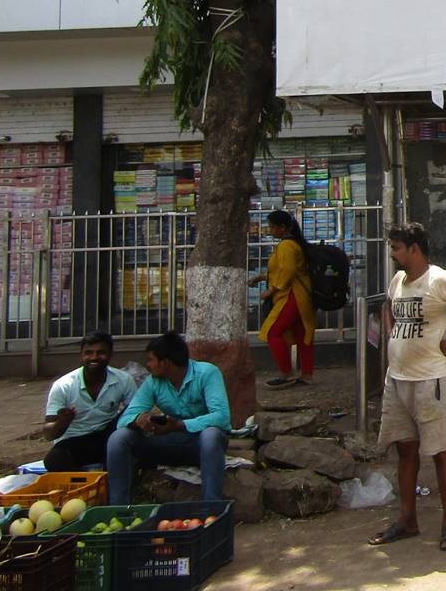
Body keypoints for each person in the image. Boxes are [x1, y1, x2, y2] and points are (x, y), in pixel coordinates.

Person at [369, 222, 446, 552]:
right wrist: (393, 334)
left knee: (440, 451)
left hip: (430, 379)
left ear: (414, 248)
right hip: (397, 379)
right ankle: (407, 519)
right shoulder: (398, 280)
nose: (393, 254)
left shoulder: (441, 280)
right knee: (405, 450)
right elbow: (388, 307)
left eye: (397, 247)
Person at [107, 331, 231, 504]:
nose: (148, 365)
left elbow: (222, 418)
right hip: (167, 444)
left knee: (211, 435)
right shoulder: (153, 382)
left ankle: (211, 508)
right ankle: (118, 508)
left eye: (150, 360)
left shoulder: (207, 373)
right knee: (119, 438)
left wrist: (180, 425)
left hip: (200, 446)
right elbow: (124, 419)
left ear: (165, 362)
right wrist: (139, 421)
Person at [42, 331, 137, 471]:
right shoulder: (63, 385)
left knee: (131, 416)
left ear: (111, 355)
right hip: (74, 442)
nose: (94, 357)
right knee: (54, 460)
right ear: (81, 355)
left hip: (108, 437)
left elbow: (136, 413)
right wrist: (62, 422)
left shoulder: (123, 379)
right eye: (89, 353)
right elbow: (48, 434)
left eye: (101, 352)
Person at [251, 210, 315, 388]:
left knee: (272, 332)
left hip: (291, 295)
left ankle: (286, 373)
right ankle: (307, 374)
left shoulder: (286, 246)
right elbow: (284, 270)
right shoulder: (295, 244)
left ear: (283, 227)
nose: (270, 230)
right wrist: (263, 278)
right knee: (303, 334)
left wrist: (272, 289)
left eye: (272, 226)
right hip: (302, 296)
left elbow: (287, 271)